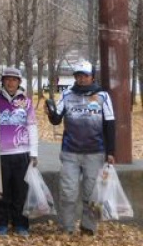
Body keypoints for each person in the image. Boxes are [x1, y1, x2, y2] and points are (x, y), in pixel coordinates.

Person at [45, 61, 115, 236]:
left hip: (95, 152)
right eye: (78, 75)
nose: (82, 79)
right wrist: (51, 113)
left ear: (92, 76)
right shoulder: (67, 95)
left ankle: (88, 227)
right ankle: (66, 227)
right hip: (70, 152)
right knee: (68, 192)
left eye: (85, 75)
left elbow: (110, 124)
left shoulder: (103, 96)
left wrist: (111, 151)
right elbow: (56, 120)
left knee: (92, 193)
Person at [0, 66, 38, 237]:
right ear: (3, 81)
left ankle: (21, 223)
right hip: (0, 154)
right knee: (0, 190)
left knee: (20, 190)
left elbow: (32, 127)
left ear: (19, 82)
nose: (10, 82)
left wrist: (34, 152)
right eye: (7, 79)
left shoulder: (26, 102)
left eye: (14, 79)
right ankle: (1, 223)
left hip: (21, 153)